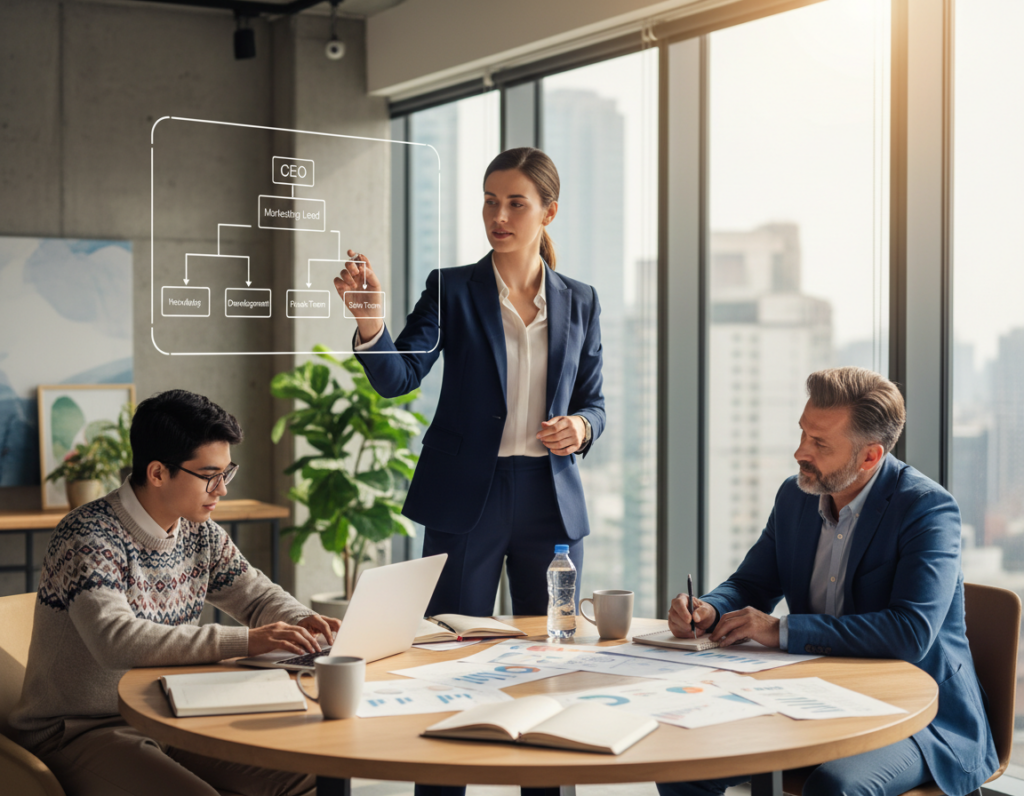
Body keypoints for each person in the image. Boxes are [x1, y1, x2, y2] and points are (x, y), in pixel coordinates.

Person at [335, 147, 604, 796]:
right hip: (467, 503)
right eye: (490, 199)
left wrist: (582, 427)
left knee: (549, 665)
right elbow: (400, 379)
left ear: (549, 211)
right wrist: (371, 325)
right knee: (450, 665)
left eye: (516, 202)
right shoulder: (451, 288)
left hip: (550, 503)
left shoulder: (580, 300)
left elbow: (595, 399)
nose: (499, 215)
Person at [659, 367, 998, 796]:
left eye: (820, 443)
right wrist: (710, 607)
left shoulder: (927, 509)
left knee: (834, 787)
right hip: (816, 696)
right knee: (685, 758)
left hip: (916, 713)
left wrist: (780, 629)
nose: (800, 451)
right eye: (803, 433)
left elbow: (910, 633)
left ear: (870, 456)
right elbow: (750, 583)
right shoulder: (795, 495)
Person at [11, 389, 341, 796]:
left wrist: (304, 622)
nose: (222, 490)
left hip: (169, 713)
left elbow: (255, 596)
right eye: (209, 476)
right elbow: (116, 640)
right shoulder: (88, 536)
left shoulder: (198, 532)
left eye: (226, 473)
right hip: (80, 730)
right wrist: (247, 641)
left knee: (311, 778)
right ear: (158, 473)